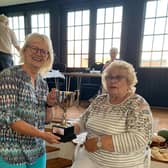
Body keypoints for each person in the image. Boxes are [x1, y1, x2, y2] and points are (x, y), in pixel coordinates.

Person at [72, 60, 153, 168]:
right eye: (109, 77)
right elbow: (82, 121)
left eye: (118, 77)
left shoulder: (138, 104)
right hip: (89, 158)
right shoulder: (99, 100)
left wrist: (99, 143)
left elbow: (140, 138)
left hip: (123, 164)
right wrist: (68, 130)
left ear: (129, 81)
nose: (112, 81)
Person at [0, 33, 60, 168]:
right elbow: (9, 118)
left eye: (44, 52)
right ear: (25, 50)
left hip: (37, 150)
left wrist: (49, 105)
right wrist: (42, 135)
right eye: (35, 48)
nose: (39, 54)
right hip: (11, 151)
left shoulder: (42, 83)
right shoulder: (9, 76)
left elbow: (46, 120)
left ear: (47, 57)